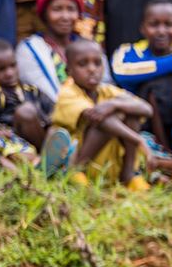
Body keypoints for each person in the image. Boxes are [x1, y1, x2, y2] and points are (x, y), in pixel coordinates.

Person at [54, 38, 154, 189]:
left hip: (111, 164)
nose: (92, 69)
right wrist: (138, 140)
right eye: (83, 64)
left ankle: (129, 175)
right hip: (85, 163)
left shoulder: (107, 91)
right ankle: (77, 171)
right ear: (69, 70)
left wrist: (114, 103)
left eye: (97, 63)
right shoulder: (67, 92)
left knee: (130, 111)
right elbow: (99, 119)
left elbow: (147, 109)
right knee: (107, 118)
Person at [110, 0, 172, 149]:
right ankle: (161, 149)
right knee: (155, 88)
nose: (161, 31)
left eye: (168, 25)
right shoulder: (128, 52)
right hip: (140, 121)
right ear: (143, 28)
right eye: (154, 25)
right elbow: (120, 72)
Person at [16, 0, 105, 103]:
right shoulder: (29, 49)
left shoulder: (87, 45)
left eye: (71, 9)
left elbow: (105, 84)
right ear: (44, 13)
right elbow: (46, 94)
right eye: (57, 9)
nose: (65, 16)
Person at [0, 37, 53, 156]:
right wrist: (2, 132)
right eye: (0, 69)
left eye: (13, 65)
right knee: (25, 112)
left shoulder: (30, 89)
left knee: (55, 128)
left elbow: (54, 111)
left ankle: (55, 156)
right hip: (14, 142)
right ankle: (45, 157)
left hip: (41, 136)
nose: (10, 73)